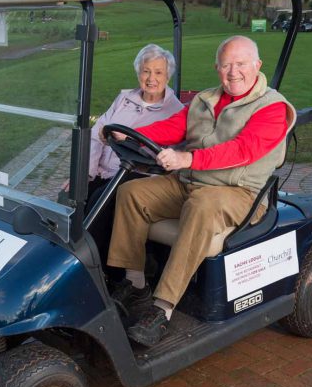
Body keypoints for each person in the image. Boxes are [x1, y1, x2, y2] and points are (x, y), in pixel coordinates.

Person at [105, 35, 296, 346]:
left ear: (257, 65)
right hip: (191, 182)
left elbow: (241, 151)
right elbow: (174, 127)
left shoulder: (272, 108)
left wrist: (187, 158)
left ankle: (162, 308)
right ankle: (134, 282)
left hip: (240, 192)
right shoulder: (205, 99)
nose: (233, 72)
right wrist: (130, 135)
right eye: (226, 65)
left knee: (202, 205)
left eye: (241, 64)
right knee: (132, 193)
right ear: (217, 68)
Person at [64, 44, 182, 282]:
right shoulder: (124, 98)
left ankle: (96, 275)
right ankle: (66, 260)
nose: (151, 78)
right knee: (73, 194)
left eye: (158, 72)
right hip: (108, 171)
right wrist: (86, 173)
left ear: (167, 75)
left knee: (101, 201)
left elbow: (168, 155)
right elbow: (99, 132)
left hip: (142, 175)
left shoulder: (175, 111)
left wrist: (122, 141)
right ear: (138, 72)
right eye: (146, 71)